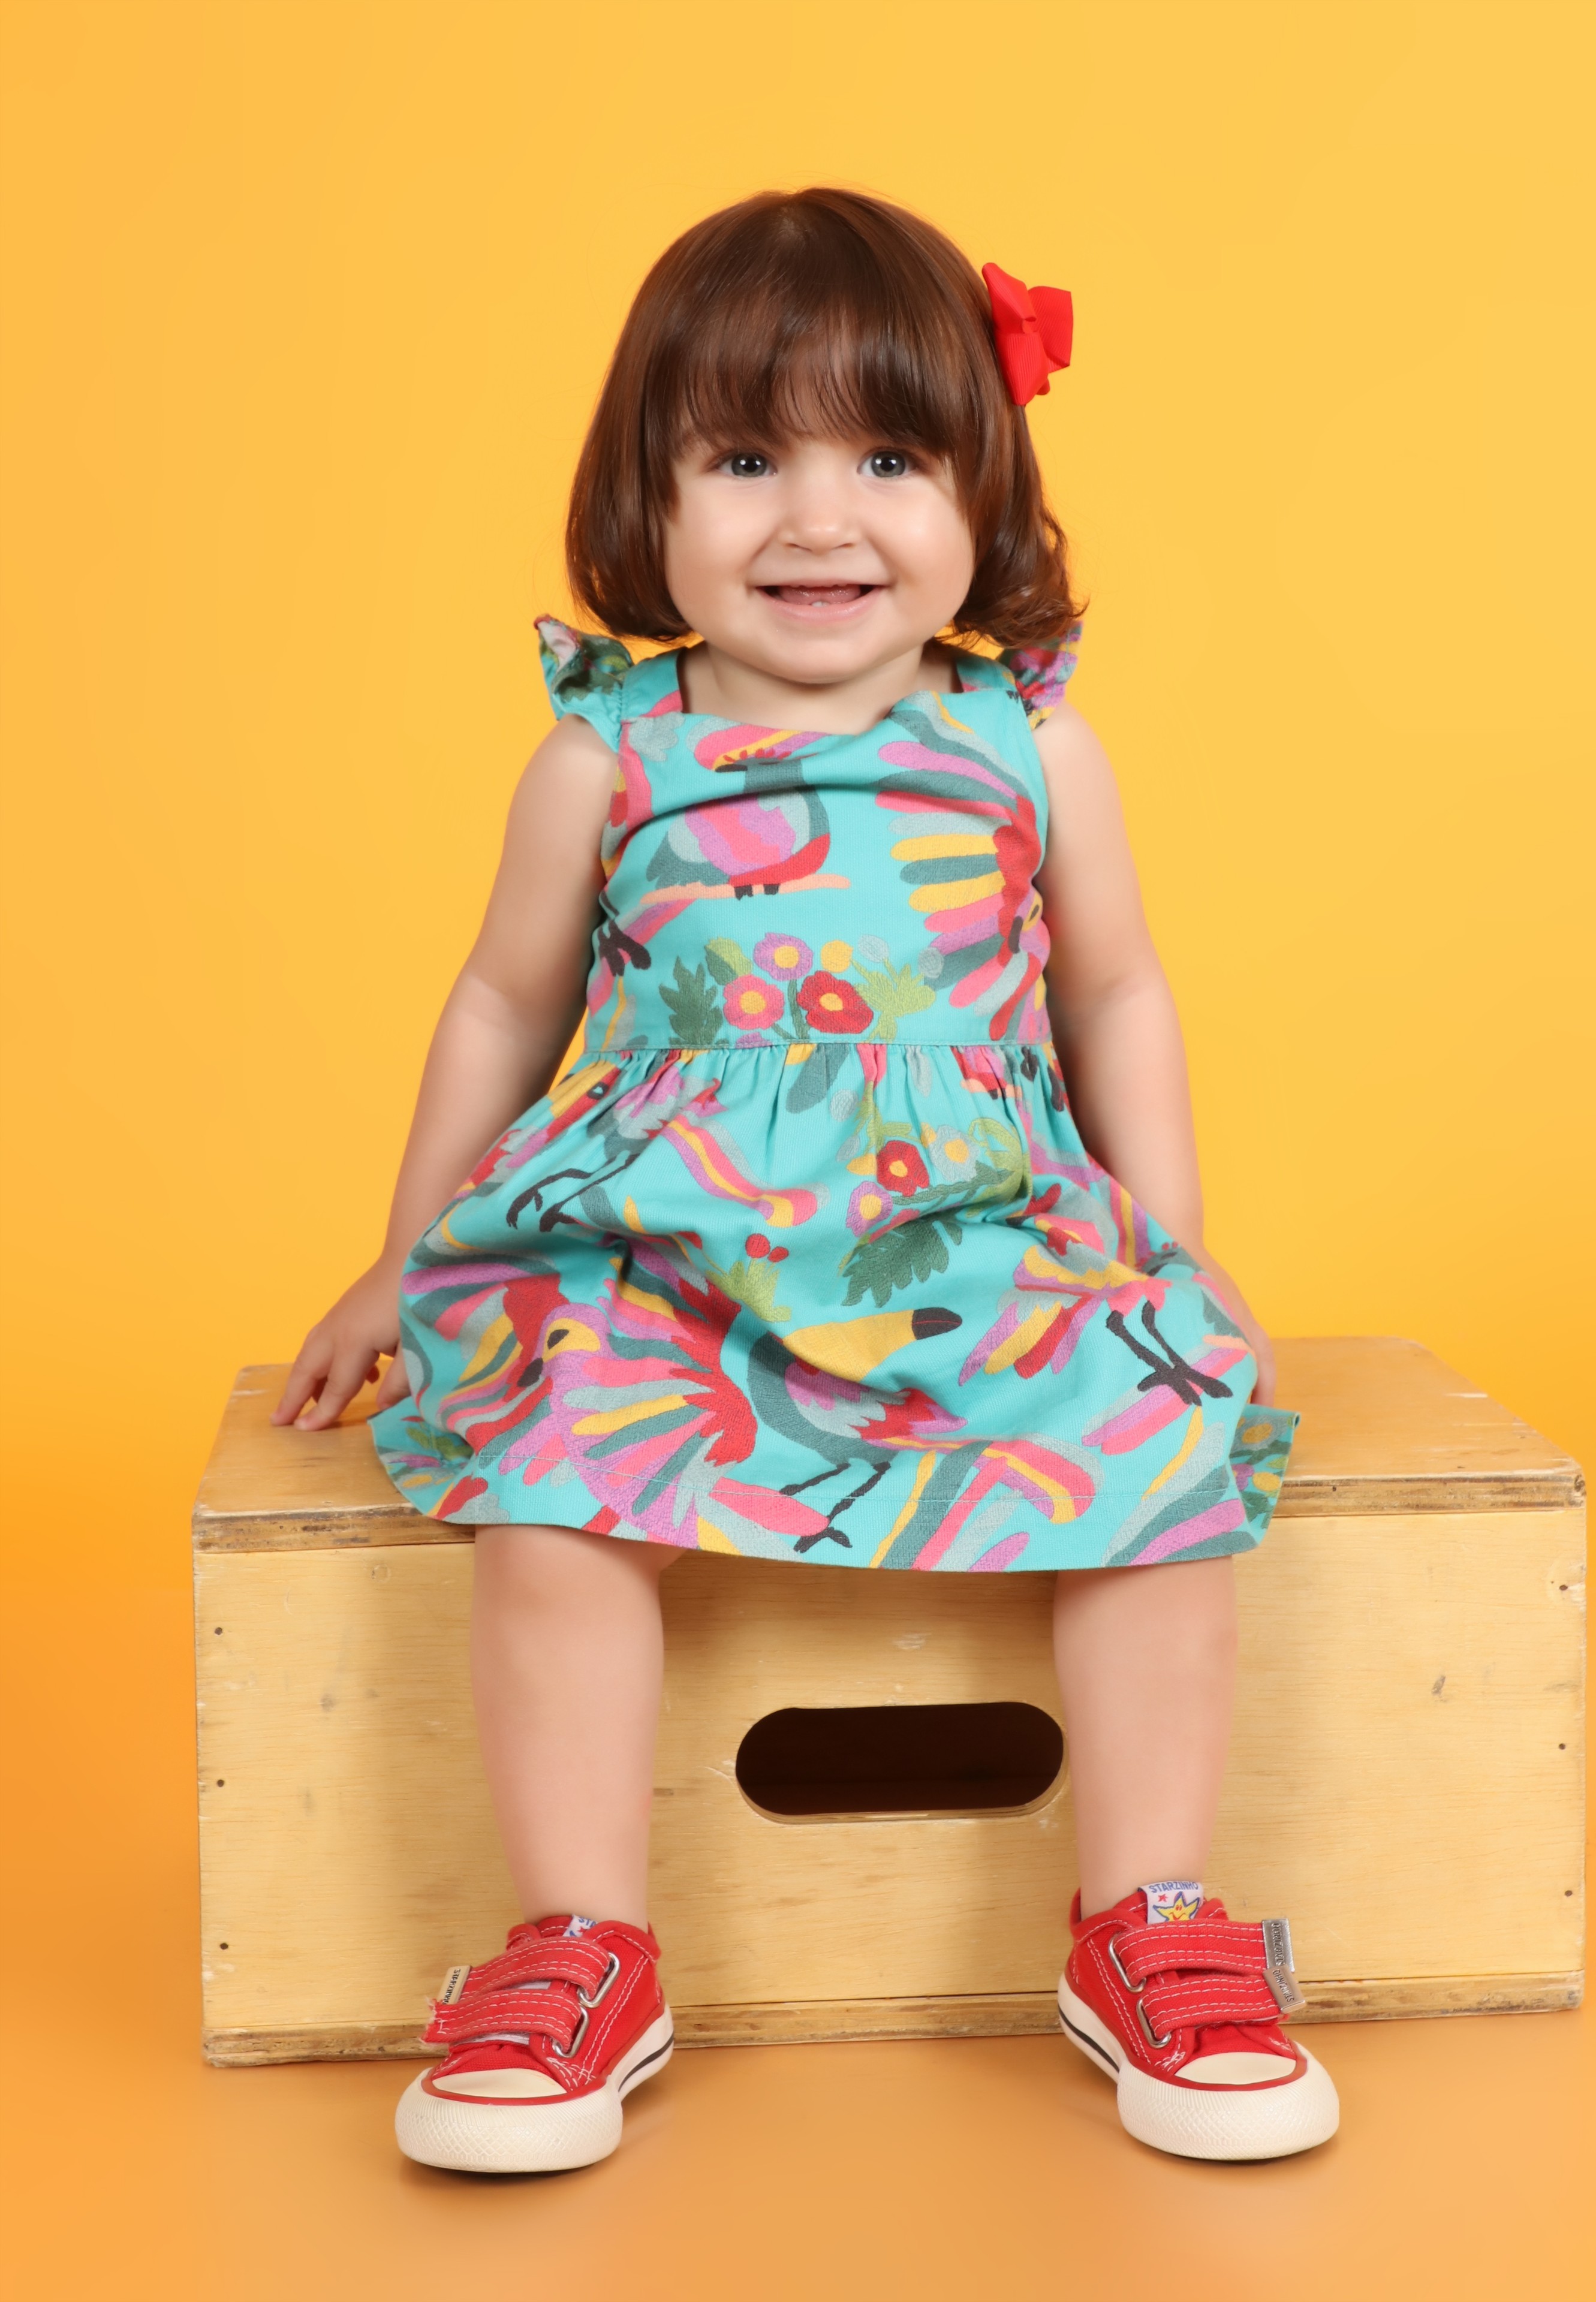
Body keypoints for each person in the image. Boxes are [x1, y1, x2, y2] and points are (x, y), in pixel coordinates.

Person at [274, 188, 1338, 2172]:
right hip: (660, 1251)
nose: (819, 520)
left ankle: (1150, 1920)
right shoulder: (610, 758)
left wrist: (1170, 1252)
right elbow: (502, 1007)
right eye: (747, 461)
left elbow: (1114, 993)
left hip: (968, 1238)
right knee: (553, 1484)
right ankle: (580, 1946)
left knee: (1154, 1463)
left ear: (983, 489)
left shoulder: (1027, 751)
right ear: (647, 499)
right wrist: (396, 1262)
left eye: (887, 460)